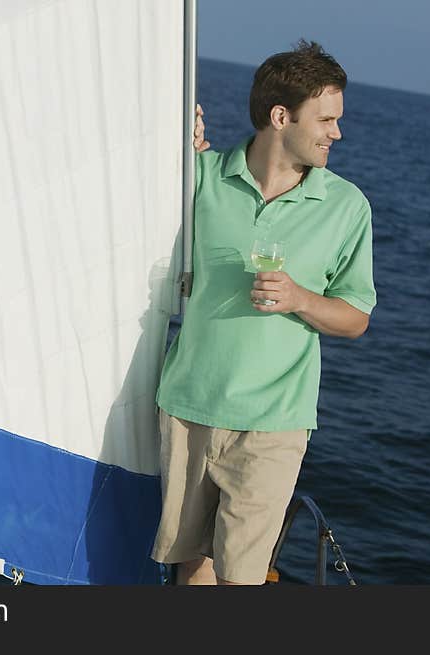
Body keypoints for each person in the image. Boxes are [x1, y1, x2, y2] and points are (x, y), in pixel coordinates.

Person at [151, 40, 376, 585]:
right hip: (188, 406)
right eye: (325, 119)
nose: (336, 132)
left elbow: (356, 317)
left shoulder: (347, 207)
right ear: (281, 117)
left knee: (242, 577)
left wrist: (300, 298)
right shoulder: (199, 179)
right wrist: (173, 139)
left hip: (275, 422)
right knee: (192, 565)